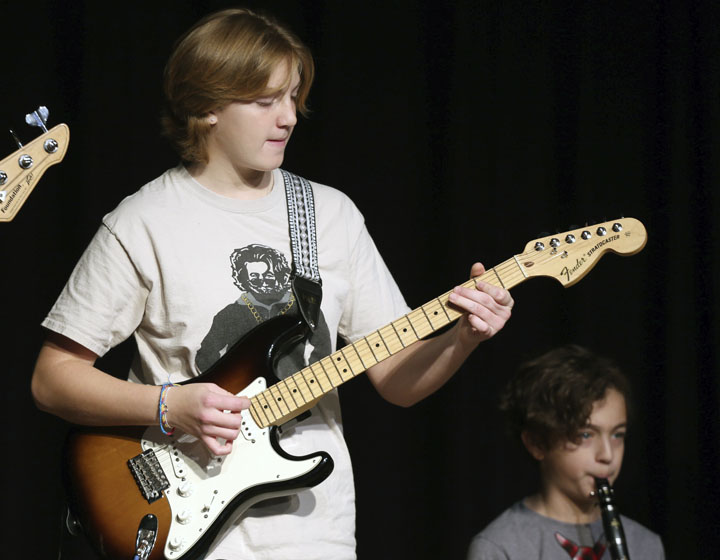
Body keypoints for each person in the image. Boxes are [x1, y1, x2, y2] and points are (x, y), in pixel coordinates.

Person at [30, 7, 514, 560]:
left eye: (292, 98)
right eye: (265, 102)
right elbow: (52, 380)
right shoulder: (143, 222)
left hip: (316, 532)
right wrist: (170, 406)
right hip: (184, 522)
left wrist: (462, 339)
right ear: (207, 106)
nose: (287, 118)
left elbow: (397, 380)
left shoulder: (331, 216)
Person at [466, 345, 664, 559]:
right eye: (586, 435)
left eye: (617, 435)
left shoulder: (645, 545)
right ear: (537, 443)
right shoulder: (500, 547)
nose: (607, 455)